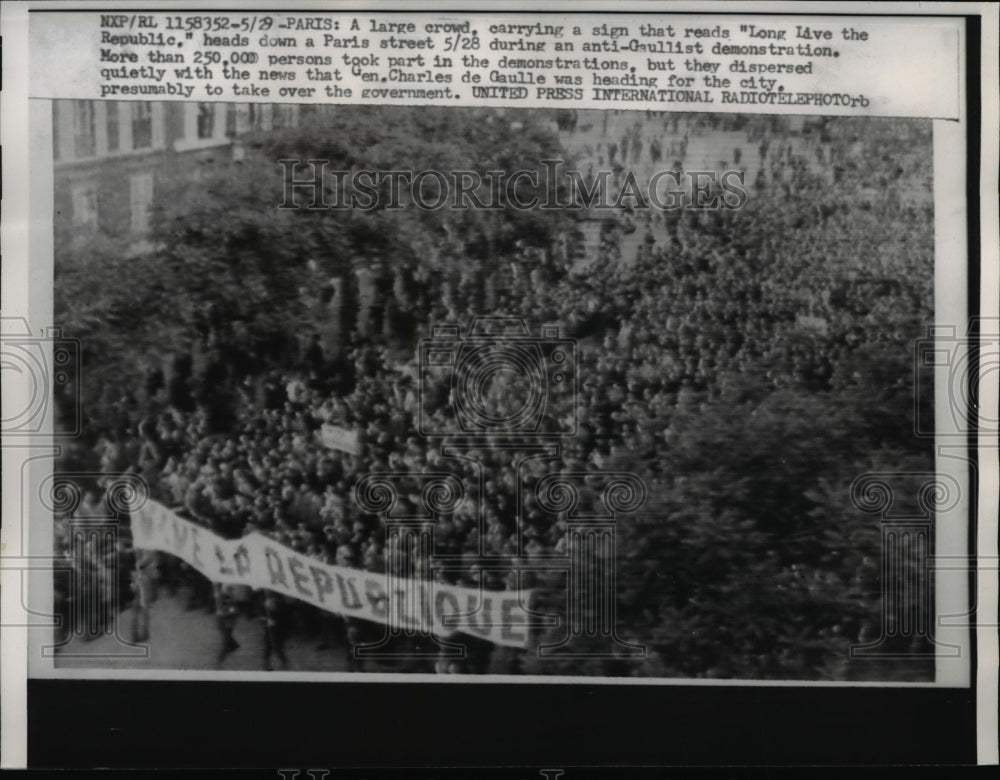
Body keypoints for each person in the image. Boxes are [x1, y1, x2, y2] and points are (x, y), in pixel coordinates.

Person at [260, 591, 289, 671]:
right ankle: (266, 664)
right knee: (267, 647)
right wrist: (266, 621)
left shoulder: (282, 606)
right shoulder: (265, 606)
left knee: (278, 647)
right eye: (269, 598)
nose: (271, 600)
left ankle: (284, 660)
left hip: (279, 631)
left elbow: (286, 619)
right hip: (268, 631)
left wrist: (276, 622)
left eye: (272, 598)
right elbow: (261, 617)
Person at [214, 583, 240, 665]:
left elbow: (234, 611)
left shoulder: (232, 599)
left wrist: (227, 611)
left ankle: (220, 658)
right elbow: (224, 610)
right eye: (228, 589)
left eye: (230, 589)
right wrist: (228, 611)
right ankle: (233, 645)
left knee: (225, 640)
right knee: (226, 637)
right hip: (222, 622)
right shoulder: (220, 597)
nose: (229, 591)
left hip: (229, 623)